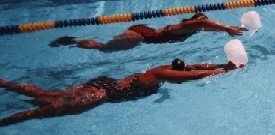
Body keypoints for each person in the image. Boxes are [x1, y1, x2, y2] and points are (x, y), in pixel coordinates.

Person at [0, 58, 242, 126]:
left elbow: (196, 66)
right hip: (102, 94)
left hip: (105, 86)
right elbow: (194, 75)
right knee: (44, 112)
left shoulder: (167, 68)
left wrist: (224, 64)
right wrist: (226, 72)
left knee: (48, 96)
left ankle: (5, 84)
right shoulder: (162, 74)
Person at [49, 13, 247, 51]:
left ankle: (73, 41)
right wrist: (228, 27)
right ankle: (72, 41)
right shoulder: (183, 27)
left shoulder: (193, 27)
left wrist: (227, 31)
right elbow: (208, 23)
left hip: (142, 33)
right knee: (103, 48)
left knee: (105, 48)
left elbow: (207, 26)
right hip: (139, 36)